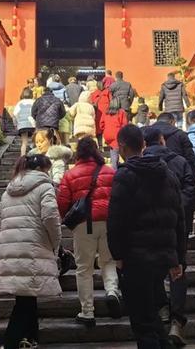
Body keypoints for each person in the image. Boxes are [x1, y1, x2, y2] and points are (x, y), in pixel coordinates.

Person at [107, 125, 185, 349]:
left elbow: (116, 220)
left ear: (122, 146)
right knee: (151, 314)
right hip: (162, 257)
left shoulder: (125, 175)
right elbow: (179, 220)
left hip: (135, 257)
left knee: (142, 320)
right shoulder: (168, 174)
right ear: (143, 144)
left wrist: (117, 255)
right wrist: (178, 258)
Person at [0, 154, 62, 349]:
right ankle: (10, 342)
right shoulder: (45, 187)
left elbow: (1, 222)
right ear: (40, 169)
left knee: (27, 297)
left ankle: (30, 337)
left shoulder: (8, 190)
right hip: (33, 247)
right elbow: (50, 217)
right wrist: (55, 242)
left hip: (10, 248)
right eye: (47, 169)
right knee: (25, 301)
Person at [143, 127, 195, 346]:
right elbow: (191, 188)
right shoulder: (180, 162)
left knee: (153, 268)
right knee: (178, 270)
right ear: (162, 140)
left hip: (149, 226)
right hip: (177, 224)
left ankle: (162, 308)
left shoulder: (138, 164)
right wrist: (177, 209)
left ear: (145, 143)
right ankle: (177, 320)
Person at [57, 137, 121, 326]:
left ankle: (87, 312)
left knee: (84, 268)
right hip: (109, 222)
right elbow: (118, 197)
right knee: (108, 261)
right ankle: (112, 291)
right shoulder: (110, 172)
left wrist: (68, 218)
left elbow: (62, 202)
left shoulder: (70, 174)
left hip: (84, 224)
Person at [101, 98, 128, 170]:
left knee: (113, 150)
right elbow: (124, 124)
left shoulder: (106, 112)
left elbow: (101, 124)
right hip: (117, 134)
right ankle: (117, 169)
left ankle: (115, 168)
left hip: (107, 134)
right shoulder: (121, 112)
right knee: (119, 151)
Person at [13, 88, 36, 156]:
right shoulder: (34, 102)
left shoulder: (19, 103)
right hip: (33, 124)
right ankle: (33, 153)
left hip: (22, 125)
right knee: (35, 140)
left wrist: (15, 124)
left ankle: (22, 157)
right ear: (31, 94)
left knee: (24, 143)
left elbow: (14, 115)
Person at [91, 81, 111, 146]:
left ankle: (100, 145)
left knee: (99, 130)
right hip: (106, 114)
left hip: (98, 114)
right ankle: (107, 143)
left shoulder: (94, 93)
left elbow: (92, 103)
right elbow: (111, 101)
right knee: (106, 128)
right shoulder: (108, 92)